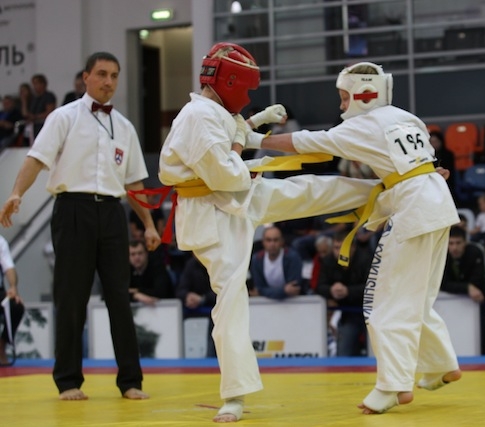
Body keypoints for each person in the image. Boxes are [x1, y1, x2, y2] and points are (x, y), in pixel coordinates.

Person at [155, 43, 380, 422]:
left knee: (308, 190)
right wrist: (244, 136)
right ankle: (234, 395)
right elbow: (228, 171)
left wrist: (256, 120)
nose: (247, 98)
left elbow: (233, 134)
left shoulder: (213, 111)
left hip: (235, 197)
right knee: (231, 300)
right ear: (229, 82)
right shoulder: (198, 117)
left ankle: (385, 188)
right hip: (213, 212)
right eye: (246, 89)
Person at [253, 61, 461, 415]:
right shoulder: (408, 118)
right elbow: (424, 162)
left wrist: (255, 139)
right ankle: (441, 364)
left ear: (364, 95)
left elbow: (306, 142)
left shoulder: (361, 126)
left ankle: (393, 385)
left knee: (383, 303)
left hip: (414, 208)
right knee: (417, 297)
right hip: (438, 201)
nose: (341, 105)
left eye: (344, 97)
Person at [0, 52, 161, 401]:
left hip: (113, 214)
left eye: (114, 75)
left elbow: (134, 184)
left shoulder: (125, 126)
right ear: (85, 77)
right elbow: (36, 159)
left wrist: (148, 224)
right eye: (101, 74)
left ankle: (131, 381)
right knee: (71, 297)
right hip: (73, 210)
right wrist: (16, 193)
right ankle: (68, 381)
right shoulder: (63, 117)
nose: (108, 81)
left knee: (119, 296)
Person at [316, 230, 374, 357]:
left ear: (353, 247)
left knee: (376, 352)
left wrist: (348, 291)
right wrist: (331, 290)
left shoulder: (366, 259)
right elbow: (319, 286)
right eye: (336, 248)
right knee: (344, 351)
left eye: (343, 248)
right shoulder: (328, 260)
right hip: (348, 314)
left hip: (371, 312)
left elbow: (373, 288)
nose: (339, 252)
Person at [441, 225, 485, 354]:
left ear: (465, 243)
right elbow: (442, 283)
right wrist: (466, 287)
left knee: (478, 341)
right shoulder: (442, 255)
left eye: (458, 243)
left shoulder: (475, 253)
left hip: (476, 306)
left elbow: (477, 281)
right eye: (451, 243)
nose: (454, 248)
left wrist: (469, 287)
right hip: (449, 308)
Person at [249, 225, 304, 299]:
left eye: (276, 240)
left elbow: (294, 289)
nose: (272, 244)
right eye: (268, 240)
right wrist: (283, 291)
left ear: (282, 241)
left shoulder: (293, 258)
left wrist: (264, 292)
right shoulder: (257, 259)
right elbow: (259, 288)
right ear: (263, 242)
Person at [0, 234, 25, 365]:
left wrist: (13, 287)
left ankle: (1, 346)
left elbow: (9, 268)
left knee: (16, 306)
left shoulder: (0, 242)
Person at [128, 239, 174, 305]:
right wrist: (135, 296)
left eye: (140, 253)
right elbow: (120, 293)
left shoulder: (158, 267)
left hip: (164, 306)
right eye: (133, 254)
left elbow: (160, 292)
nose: (137, 257)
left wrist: (137, 291)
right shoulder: (126, 270)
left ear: (146, 254)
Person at [25, 73, 57, 142]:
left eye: (36, 84)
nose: (34, 86)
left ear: (43, 84)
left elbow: (49, 112)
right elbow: (26, 113)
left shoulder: (49, 96)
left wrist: (35, 117)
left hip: (44, 125)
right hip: (34, 127)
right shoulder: (34, 98)